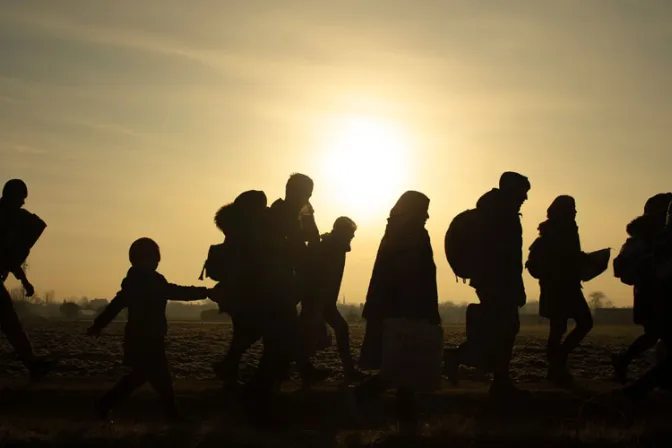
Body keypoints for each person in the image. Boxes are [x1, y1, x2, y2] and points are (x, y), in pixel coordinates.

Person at [87, 238, 211, 420]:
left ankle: (105, 405)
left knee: (140, 377)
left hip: (138, 337)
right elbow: (175, 292)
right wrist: (205, 292)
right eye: (154, 259)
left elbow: (115, 305)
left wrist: (98, 325)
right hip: (150, 337)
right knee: (160, 379)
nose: (157, 262)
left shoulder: (132, 282)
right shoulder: (151, 280)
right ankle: (174, 417)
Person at [351, 191, 440, 431]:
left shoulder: (397, 232)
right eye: (423, 210)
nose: (427, 215)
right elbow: (412, 277)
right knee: (400, 367)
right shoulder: (411, 235)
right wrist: (422, 310)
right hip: (404, 311)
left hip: (394, 309)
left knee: (403, 369)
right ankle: (366, 398)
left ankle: (406, 421)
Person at [445, 172, 531, 402]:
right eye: (523, 192)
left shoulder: (493, 212)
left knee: (499, 331)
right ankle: (492, 377)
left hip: (490, 281)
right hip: (498, 282)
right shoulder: (502, 216)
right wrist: (515, 286)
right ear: (512, 191)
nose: (525, 198)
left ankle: (468, 365)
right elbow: (507, 256)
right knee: (504, 331)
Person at [208, 191, 270, 385]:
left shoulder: (237, 228)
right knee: (254, 330)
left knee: (242, 333)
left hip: (236, 291)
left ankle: (229, 372)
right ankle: (228, 367)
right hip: (243, 291)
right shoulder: (246, 231)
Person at [528, 195, 592, 383]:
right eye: (572, 208)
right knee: (581, 323)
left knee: (558, 328)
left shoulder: (555, 231)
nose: (575, 212)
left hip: (558, 286)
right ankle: (557, 363)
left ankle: (555, 365)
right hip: (562, 286)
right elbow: (561, 259)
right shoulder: (563, 231)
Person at [0, 179, 58, 381]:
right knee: (10, 322)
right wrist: (24, 280)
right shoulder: (5, 219)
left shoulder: (10, 219)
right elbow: (7, 254)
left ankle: (31, 363)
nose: (23, 203)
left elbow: (8, 256)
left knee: (10, 323)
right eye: (21, 198)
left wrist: (24, 280)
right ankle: (31, 363)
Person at [612, 193, 672, 383]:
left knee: (655, 335)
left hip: (657, 292)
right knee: (658, 334)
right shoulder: (644, 240)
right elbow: (623, 267)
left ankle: (626, 363)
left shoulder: (655, 238)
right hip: (653, 293)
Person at [299, 216, 365, 383]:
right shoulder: (331, 248)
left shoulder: (332, 246)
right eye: (350, 232)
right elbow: (321, 276)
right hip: (319, 300)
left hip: (322, 301)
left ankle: (306, 370)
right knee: (308, 336)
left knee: (308, 335)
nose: (353, 236)